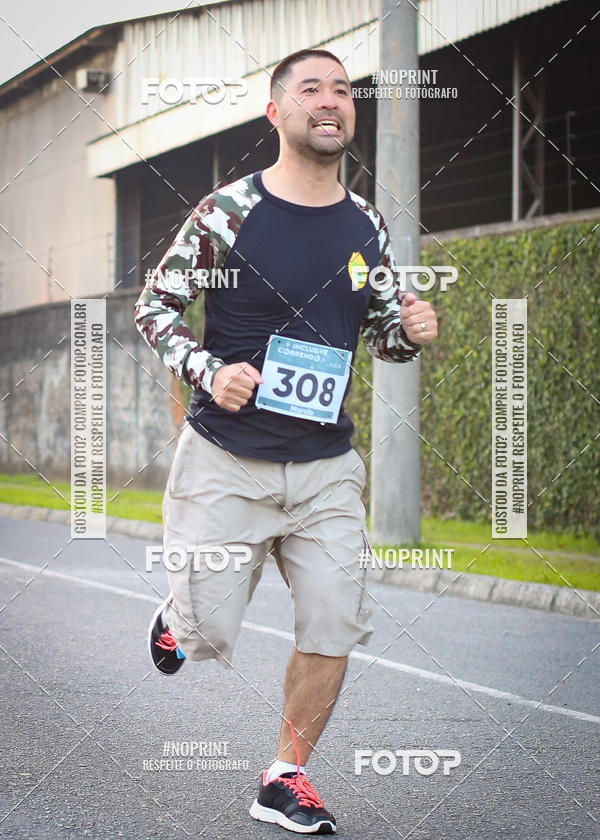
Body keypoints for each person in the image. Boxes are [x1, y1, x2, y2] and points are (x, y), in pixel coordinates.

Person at [135, 47, 438, 835]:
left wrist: (408, 330)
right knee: (208, 635)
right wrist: (207, 369)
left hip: (327, 468)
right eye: (311, 89)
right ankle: (177, 617)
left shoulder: (366, 223)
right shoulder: (227, 211)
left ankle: (285, 776)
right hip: (227, 460)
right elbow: (154, 308)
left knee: (336, 619)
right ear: (277, 112)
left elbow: (380, 337)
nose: (331, 100)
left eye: (342, 89)